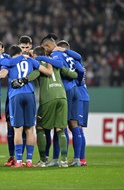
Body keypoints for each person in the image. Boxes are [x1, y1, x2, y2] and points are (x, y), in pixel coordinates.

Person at [0, 45, 52, 168]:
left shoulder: (9, 62)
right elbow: (48, 72)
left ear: (11, 54)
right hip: (30, 94)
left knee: (18, 129)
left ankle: (18, 161)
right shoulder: (31, 60)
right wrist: (49, 59)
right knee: (30, 129)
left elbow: (2, 74)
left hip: (15, 95)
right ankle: (29, 161)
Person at [12, 46, 78, 167]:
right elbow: (73, 75)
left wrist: (22, 80)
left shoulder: (38, 64)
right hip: (62, 97)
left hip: (48, 98)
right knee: (60, 129)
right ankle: (63, 160)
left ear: (36, 55)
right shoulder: (55, 63)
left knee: (40, 128)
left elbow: (34, 74)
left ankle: (43, 160)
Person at [41, 33, 82, 166]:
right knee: (74, 124)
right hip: (75, 88)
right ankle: (77, 159)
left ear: (48, 46)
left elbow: (57, 64)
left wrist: (42, 58)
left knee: (60, 125)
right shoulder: (67, 54)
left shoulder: (55, 54)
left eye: (44, 49)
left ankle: (56, 159)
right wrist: (79, 81)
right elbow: (80, 68)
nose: (45, 52)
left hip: (66, 89)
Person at [56, 40, 90, 166]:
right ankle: (80, 159)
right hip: (81, 95)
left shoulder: (71, 59)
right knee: (74, 126)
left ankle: (80, 159)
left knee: (75, 126)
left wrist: (79, 81)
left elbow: (81, 71)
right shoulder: (73, 60)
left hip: (80, 95)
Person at [4, 35, 33, 166]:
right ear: (19, 47)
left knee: (22, 128)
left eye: (27, 47)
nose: (25, 49)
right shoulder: (10, 58)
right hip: (12, 95)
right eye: (23, 47)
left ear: (31, 46)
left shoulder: (33, 58)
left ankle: (22, 158)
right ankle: (12, 157)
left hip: (20, 94)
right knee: (11, 126)